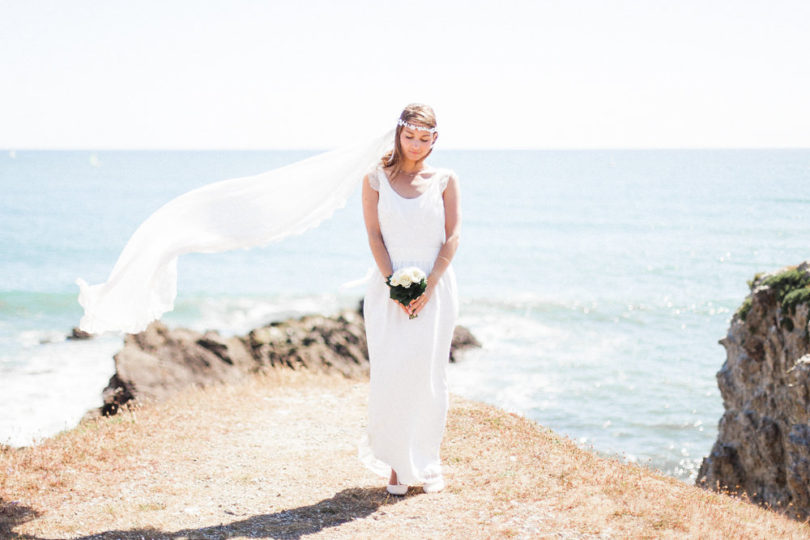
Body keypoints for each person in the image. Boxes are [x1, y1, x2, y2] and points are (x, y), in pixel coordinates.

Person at [358, 103, 461, 495]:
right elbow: (374, 236)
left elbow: (452, 236)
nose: (415, 145)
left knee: (429, 376)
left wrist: (429, 284)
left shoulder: (446, 180)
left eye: (424, 138)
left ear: (434, 140)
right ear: (398, 134)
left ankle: (426, 460)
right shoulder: (375, 179)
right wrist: (394, 285)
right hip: (387, 289)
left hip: (436, 288)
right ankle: (398, 466)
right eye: (409, 136)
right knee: (392, 374)